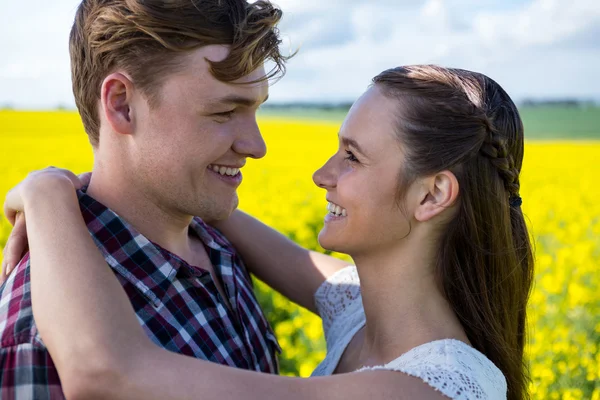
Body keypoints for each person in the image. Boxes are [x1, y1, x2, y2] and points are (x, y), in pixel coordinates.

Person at [2, 65, 534, 400]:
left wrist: (48, 195)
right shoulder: (361, 309)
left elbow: (110, 374)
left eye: (351, 157)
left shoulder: (430, 387)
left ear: (431, 196)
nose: (322, 174)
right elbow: (213, 210)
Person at [0, 0, 327, 398]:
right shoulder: (42, 331)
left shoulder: (218, 247)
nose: (256, 147)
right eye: (224, 112)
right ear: (122, 105)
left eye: (254, 111)